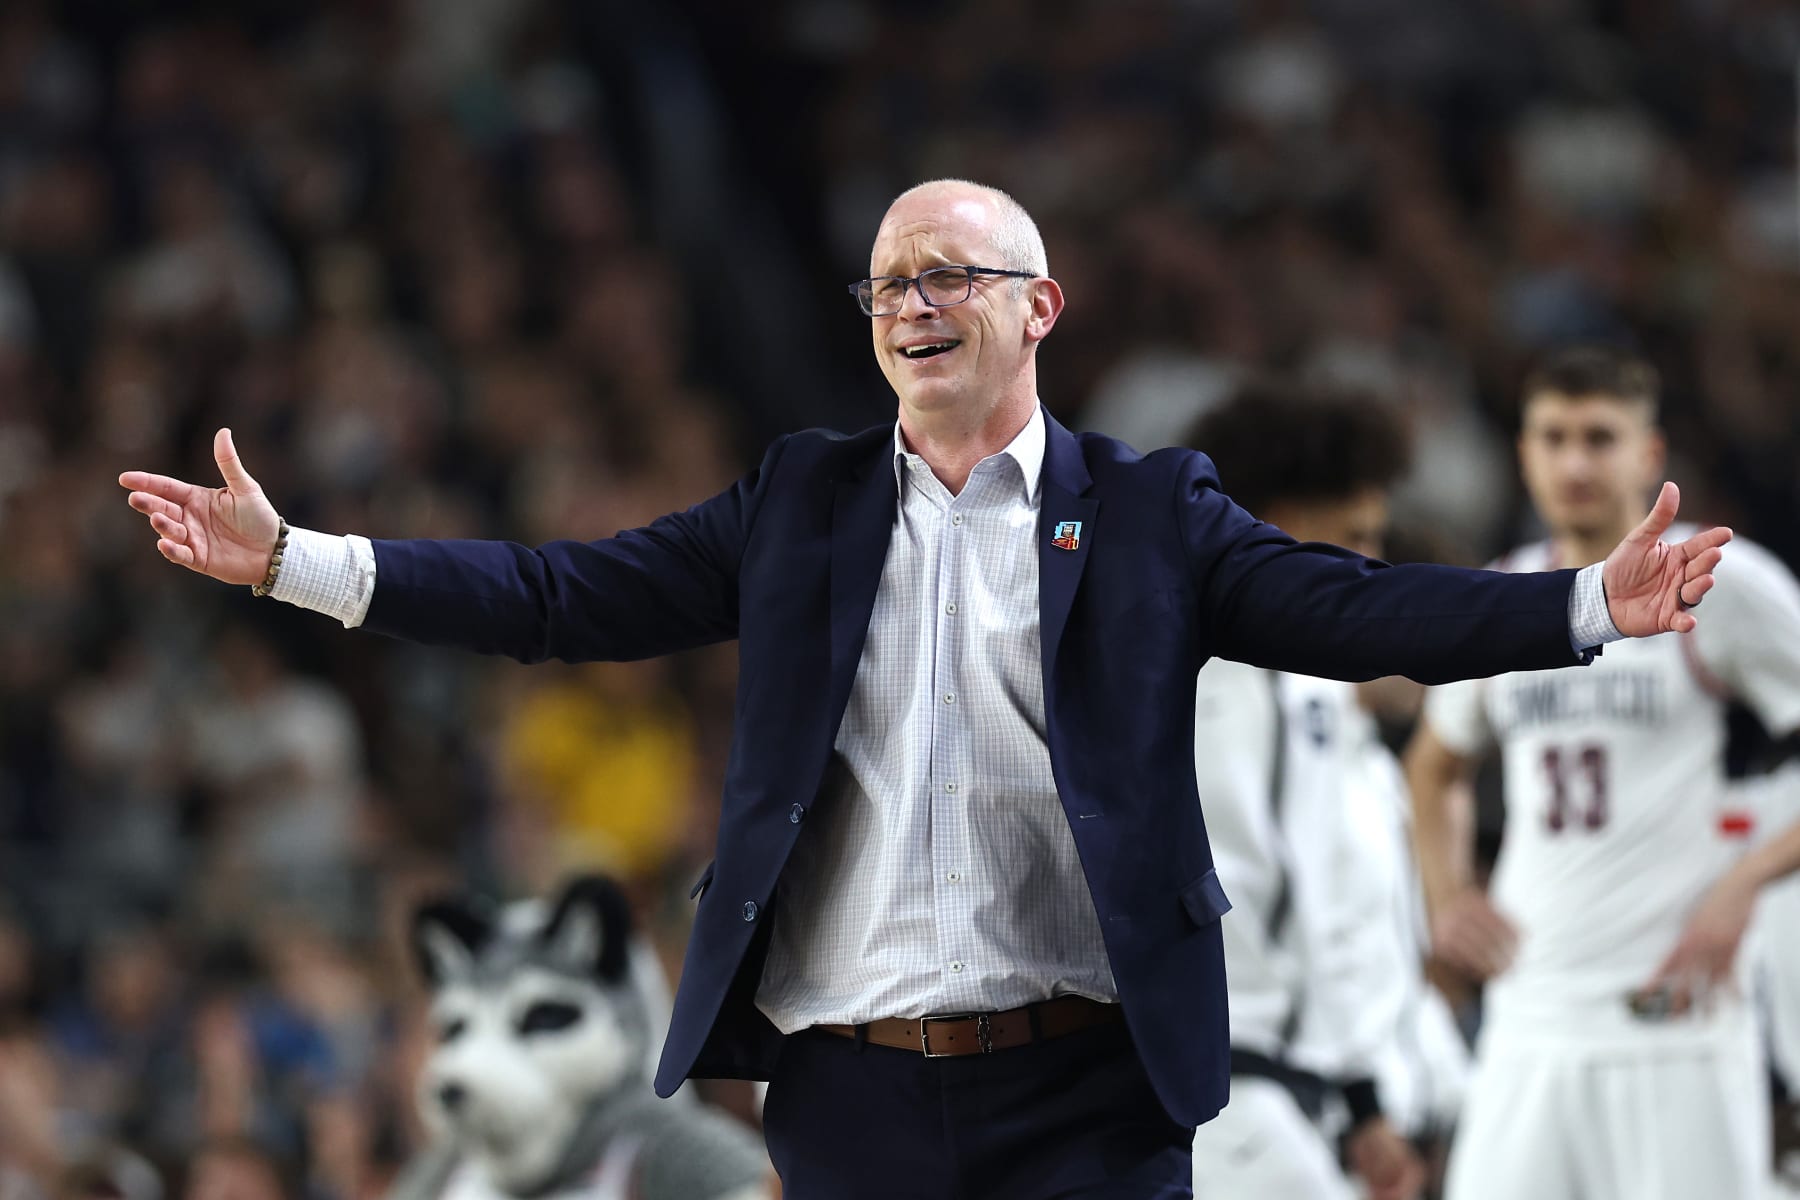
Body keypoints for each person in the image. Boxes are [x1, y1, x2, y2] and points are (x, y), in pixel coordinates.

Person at [122, 181, 1731, 1199]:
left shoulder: (1155, 508)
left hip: (1090, 1093)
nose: (909, 300)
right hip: (851, 1099)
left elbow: (1353, 605)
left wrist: (1584, 602)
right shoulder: (798, 503)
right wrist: (295, 564)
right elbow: (560, 597)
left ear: (1039, 306)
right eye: (889, 280)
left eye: (948, 272)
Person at [1403, 346, 1800, 1200]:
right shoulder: (1507, 591)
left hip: (1677, 1018)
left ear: (1649, 454)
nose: (1575, 462)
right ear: (1523, 453)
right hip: (1530, 1012)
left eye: (1600, 437)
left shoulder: (1715, 579)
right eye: (1553, 437)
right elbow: (1435, 765)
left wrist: (1747, 886)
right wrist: (1445, 894)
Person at [1181, 382, 1428, 1200]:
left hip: (1299, 1085)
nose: (1372, 564)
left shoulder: (1314, 697)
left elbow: (1324, 909)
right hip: (1213, 1083)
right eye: (1352, 536)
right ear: (1276, 528)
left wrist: (1361, 1101)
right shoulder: (1202, 673)